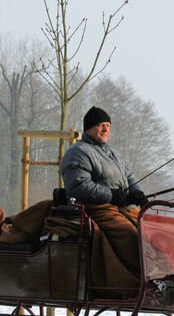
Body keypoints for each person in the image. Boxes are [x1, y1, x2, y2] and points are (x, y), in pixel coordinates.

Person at [60, 106, 149, 293]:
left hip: (119, 209)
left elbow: (129, 176)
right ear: (89, 128)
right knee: (133, 236)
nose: (106, 129)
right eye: (101, 125)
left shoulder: (112, 153)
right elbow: (78, 186)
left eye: (108, 125)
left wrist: (138, 194)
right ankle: (135, 282)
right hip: (97, 210)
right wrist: (112, 195)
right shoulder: (78, 152)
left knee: (150, 231)